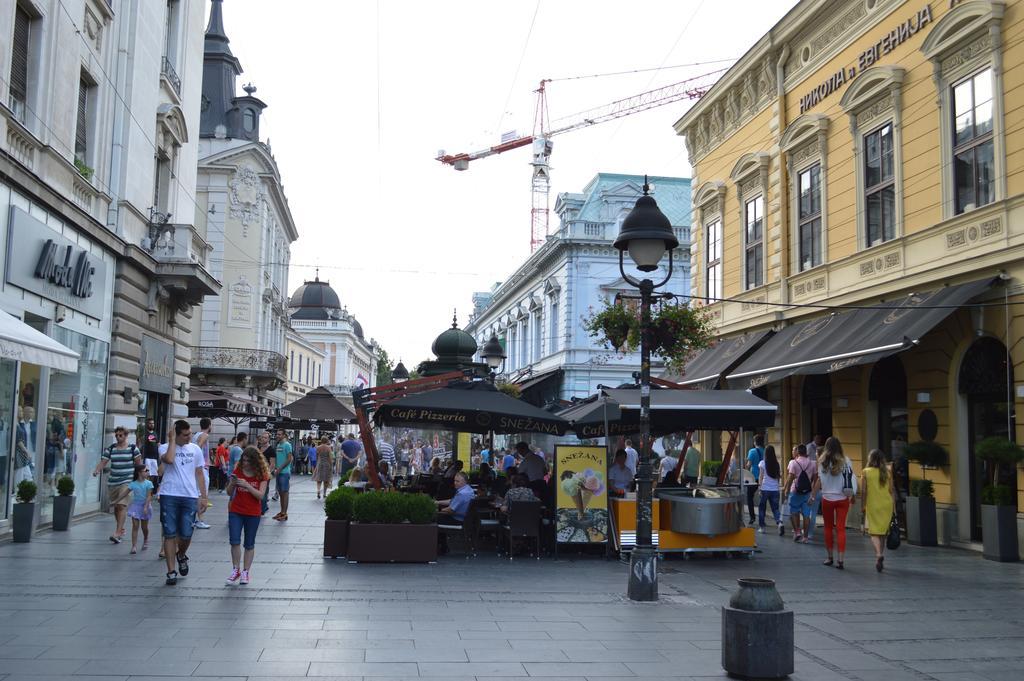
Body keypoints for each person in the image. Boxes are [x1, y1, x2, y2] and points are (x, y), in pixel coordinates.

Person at [158, 420, 207, 586]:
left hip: (189, 496)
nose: (190, 437)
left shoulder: (195, 449)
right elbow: (169, 460)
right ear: (176, 434)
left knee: (186, 533)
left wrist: (204, 496)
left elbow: (199, 473)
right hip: (169, 494)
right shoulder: (165, 447)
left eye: (190, 433)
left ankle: (181, 554)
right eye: (185, 435)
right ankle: (171, 571)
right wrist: (172, 440)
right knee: (169, 533)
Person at [225, 445, 270, 585]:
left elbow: (261, 496)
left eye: (248, 461)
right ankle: (235, 569)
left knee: (249, 543)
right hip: (236, 510)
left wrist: (248, 486)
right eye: (243, 460)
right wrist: (232, 484)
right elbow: (228, 492)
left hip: (252, 512)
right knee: (234, 540)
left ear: (255, 461)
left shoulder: (262, 474)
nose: (245, 464)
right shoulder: (238, 470)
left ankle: (245, 572)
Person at [812, 436, 857, 569]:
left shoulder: (821, 461)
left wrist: (813, 495)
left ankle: (829, 557)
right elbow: (850, 478)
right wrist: (853, 495)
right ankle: (841, 560)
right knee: (841, 529)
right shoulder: (846, 461)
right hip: (843, 498)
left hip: (827, 499)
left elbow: (819, 481)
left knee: (828, 528)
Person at [92, 426, 141, 544]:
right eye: (117, 435)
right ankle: (121, 528)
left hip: (127, 481)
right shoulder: (111, 448)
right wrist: (97, 470)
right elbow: (103, 462)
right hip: (113, 481)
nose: (118, 437)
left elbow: (139, 465)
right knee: (116, 507)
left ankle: (118, 532)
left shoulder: (133, 449)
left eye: (121, 435)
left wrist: (139, 480)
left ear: (125, 435)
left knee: (122, 505)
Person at [862, 448, 895, 572]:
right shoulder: (887, 472)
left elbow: (864, 491)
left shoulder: (866, 472)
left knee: (874, 532)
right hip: (886, 504)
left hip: (873, 504)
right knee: (882, 532)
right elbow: (891, 491)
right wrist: (894, 508)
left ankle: (878, 555)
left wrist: (863, 505)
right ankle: (880, 555)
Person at [782, 444, 815, 543]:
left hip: (795, 491)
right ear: (806, 452)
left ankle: (797, 532)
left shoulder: (793, 463)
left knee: (793, 512)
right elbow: (815, 478)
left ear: (798, 452)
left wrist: (786, 489)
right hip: (808, 492)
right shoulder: (813, 463)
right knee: (806, 515)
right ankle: (805, 537)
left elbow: (791, 477)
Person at [436, 471, 473, 553]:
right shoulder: (468, 490)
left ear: (464, 482)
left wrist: (438, 510)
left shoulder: (462, 494)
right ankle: (443, 546)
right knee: (439, 517)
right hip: (464, 519)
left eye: (457, 481)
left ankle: (441, 547)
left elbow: (451, 510)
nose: (455, 483)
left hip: (457, 520)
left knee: (434, 520)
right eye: (454, 481)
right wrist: (437, 502)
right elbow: (453, 501)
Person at [126, 464, 153, 554]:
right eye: (146, 470)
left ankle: (146, 539)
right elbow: (125, 493)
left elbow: (149, 496)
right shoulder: (133, 484)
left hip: (145, 505)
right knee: (135, 526)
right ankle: (134, 546)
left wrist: (145, 507)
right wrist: (116, 500)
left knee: (144, 527)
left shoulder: (149, 483)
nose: (147, 472)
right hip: (135, 506)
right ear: (139, 473)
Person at [191, 418, 213, 530]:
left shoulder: (195, 435)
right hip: (202, 467)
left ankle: (195, 518)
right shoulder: (205, 435)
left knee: (196, 492)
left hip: (198, 467)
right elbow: (198, 448)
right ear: (209, 425)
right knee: (201, 493)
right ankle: (200, 520)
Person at [757, 445, 784, 535]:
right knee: (775, 509)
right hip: (775, 489)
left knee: (761, 509)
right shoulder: (776, 464)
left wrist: (759, 487)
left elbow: (760, 476)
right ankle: (779, 523)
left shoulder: (762, 463)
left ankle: (762, 528)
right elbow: (778, 477)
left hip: (765, 489)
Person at [804, 434, 825, 540]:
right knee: (827, 514)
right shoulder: (828, 464)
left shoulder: (814, 464)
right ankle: (828, 533)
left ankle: (810, 533)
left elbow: (813, 479)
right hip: (827, 492)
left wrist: (812, 494)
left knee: (812, 513)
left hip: (816, 491)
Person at [273, 429, 293, 521]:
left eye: (280, 434)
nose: (278, 436)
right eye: (277, 434)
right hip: (278, 472)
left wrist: (280, 468)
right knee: (281, 493)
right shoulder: (278, 445)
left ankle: (284, 513)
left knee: (285, 493)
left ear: (284, 435)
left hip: (284, 473)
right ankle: (282, 512)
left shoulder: (287, 445)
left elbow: (289, 459)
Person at [746, 434, 766, 525]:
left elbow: (749, 465)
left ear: (755, 442)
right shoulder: (766, 451)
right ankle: (762, 519)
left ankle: (752, 517)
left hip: (753, 478)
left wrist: (745, 469)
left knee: (750, 497)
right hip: (764, 477)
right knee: (763, 499)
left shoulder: (752, 451)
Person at [142, 418, 161, 492]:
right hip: (147, 457)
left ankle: (150, 488)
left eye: (153, 423)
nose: (152, 424)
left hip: (154, 457)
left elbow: (157, 443)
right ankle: (146, 489)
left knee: (154, 474)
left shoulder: (155, 433)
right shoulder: (145, 433)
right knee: (147, 473)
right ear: (147, 424)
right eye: (150, 423)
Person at [259, 432, 275, 509]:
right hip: (257, 472)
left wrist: (267, 474)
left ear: (268, 439)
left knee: (264, 491)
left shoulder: (271, 450)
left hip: (265, 473)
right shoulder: (258, 448)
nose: (263, 439)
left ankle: (263, 507)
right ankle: (263, 506)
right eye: (262, 437)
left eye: (265, 437)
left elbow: (272, 464)